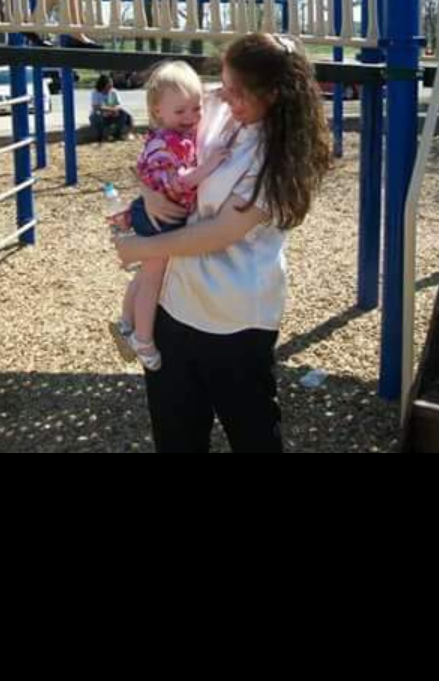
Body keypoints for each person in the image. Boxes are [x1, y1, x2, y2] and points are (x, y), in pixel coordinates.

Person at [112, 34, 331, 452]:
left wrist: (140, 250)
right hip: (174, 304)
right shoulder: (217, 107)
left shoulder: (278, 157)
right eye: (223, 84)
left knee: (252, 433)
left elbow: (220, 233)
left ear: (274, 95)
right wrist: (149, 192)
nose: (222, 97)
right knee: (176, 434)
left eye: (236, 91)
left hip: (234, 320)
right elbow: (162, 145)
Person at [109, 61, 230, 371]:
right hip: (159, 218)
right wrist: (210, 165)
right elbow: (180, 180)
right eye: (181, 112)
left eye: (196, 109)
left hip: (154, 211)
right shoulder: (167, 143)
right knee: (153, 278)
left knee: (145, 272)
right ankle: (143, 339)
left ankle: (125, 321)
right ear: (157, 111)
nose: (190, 118)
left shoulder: (165, 134)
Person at [89, 75, 133, 143]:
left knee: (124, 114)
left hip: (112, 113)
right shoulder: (96, 92)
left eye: (111, 83)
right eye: (109, 84)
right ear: (103, 84)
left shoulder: (113, 92)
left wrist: (115, 110)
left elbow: (118, 104)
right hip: (100, 114)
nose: (111, 85)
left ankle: (117, 134)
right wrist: (109, 110)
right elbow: (96, 107)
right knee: (96, 115)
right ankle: (100, 136)